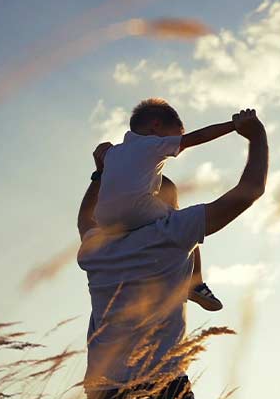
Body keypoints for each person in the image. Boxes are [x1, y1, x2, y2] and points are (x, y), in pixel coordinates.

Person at [75, 108, 268, 399]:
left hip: (103, 397)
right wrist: (256, 136)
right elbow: (250, 191)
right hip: (162, 391)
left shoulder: (92, 247)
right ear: (161, 205)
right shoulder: (171, 233)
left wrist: (103, 170)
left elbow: (87, 213)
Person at [88, 97, 236, 311]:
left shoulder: (112, 152)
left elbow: (109, 180)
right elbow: (200, 136)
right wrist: (235, 125)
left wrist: (98, 169)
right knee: (184, 221)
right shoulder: (152, 144)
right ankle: (195, 284)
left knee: (153, 218)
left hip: (103, 220)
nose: (177, 143)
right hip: (136, 209)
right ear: (156, 126)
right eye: (177, 136)